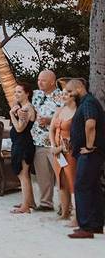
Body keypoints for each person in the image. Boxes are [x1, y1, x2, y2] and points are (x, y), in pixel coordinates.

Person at [64, 79, 104, 238]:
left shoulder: (88, 103)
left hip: (90, 153)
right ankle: (96, 225)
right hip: (91, 153)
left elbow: (90, 125)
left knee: (81, 186)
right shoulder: (87, 102)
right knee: (93, 187)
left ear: (79, 88)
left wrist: (88, 146)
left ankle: (86, 227)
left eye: (70, 91)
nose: (68, 95)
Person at [30, 69, 63, 212]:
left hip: (57, 143)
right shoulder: (36, 95)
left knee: (62, 175)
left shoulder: (62, 97)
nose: (40, 82)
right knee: (43, 175)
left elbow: (68, 117)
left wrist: (50, 120)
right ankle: (45, 203)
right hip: (38, 141)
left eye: (43, 80)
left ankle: (65, 205)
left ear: (52, 82)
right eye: (38, 80)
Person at [51, 86, 78, 225]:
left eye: (67, 93)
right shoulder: (60, 110)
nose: (63, 95)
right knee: (60, 181)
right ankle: (64, 212)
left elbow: (76, 136)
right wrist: (54, 146)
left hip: (70, 151)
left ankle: (76, 216)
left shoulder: (77, 113)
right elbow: (51, 129)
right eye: (63, 93)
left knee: (72, 182)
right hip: (57, 151)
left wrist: (61, 147)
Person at [9, 83, 37, 214]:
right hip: (23, 143)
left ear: (27, 94)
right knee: (25, 175)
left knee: (23, 175)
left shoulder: (26, 109)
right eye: (15, 92)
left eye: (19, 92)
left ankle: (25, 206)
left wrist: (11, 115)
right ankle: (29, 202)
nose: (16, 94)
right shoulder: (23, 108)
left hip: (23, 145)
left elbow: (20, 128)